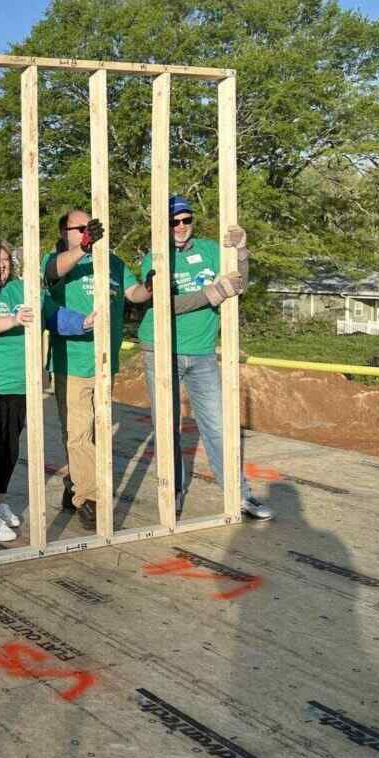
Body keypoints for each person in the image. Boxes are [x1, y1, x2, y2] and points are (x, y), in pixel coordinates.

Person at [137, 195, 273, 521]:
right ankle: (175, 492)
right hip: (161, 350)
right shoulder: (155, 258)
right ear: (163, 225)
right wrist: (211, 294)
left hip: (201, 354)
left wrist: (241, 250)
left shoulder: (212, 250)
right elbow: (164, 304)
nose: (181, 227)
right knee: (168, 427)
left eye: (186, 220)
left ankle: (239, 496)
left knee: (217, 427)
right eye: (174, 221)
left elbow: (238, 283)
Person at [0, 237, 93, 542]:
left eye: (6, 261)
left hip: (19, 383)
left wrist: (86, 321)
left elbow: (54, 315)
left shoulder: (22, 289)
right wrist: (13, 319)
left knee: (8, 449)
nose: (1, 266)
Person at [43, 209, 153, 530]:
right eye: (81, 228)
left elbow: (133, 293)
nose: (89, 231)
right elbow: (52, 272)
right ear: (67, 233)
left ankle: (75, 484)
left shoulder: (112, 262)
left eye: (91, 227)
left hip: (105, 362)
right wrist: (83, 248)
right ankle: (89, 498)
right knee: (78, 434)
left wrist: (150, 286)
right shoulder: (58, 259)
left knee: (97, 433)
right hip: (73, 362)